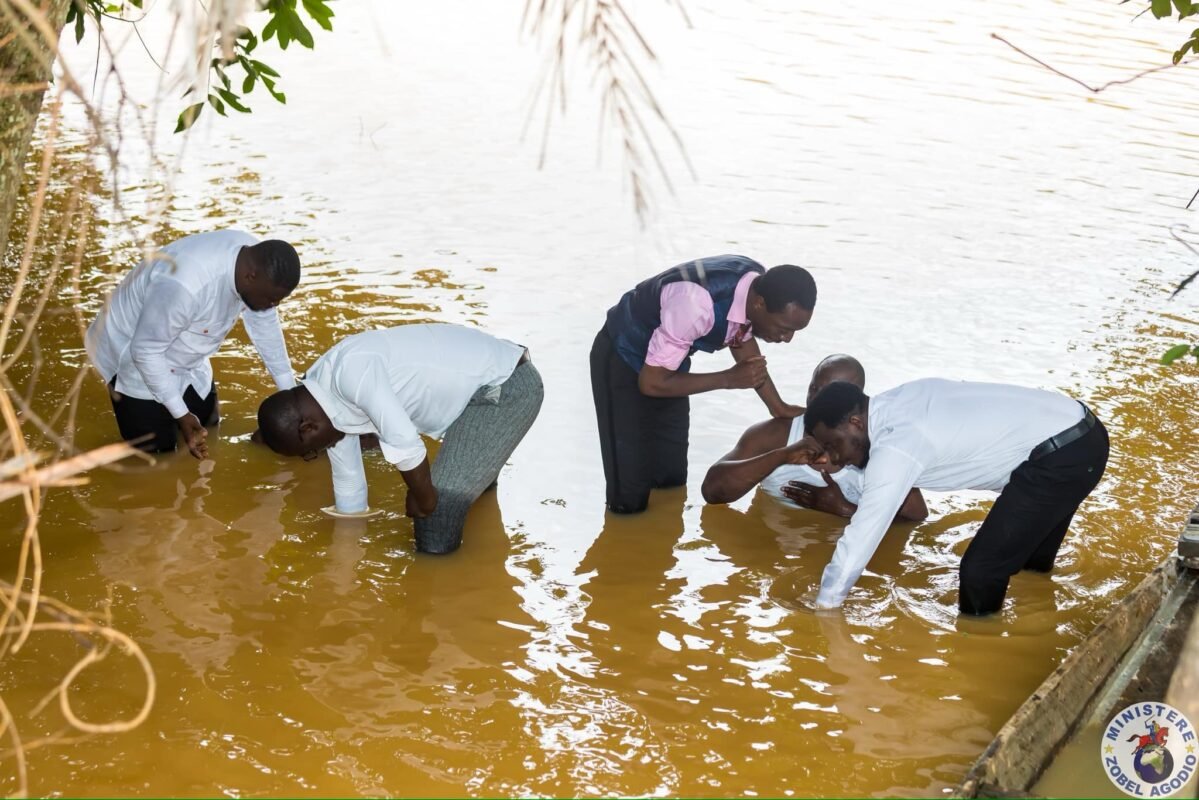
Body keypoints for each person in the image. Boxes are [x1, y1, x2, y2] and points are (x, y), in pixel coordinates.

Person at [799, 378, 1110, 615]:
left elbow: (862, 536)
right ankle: (1038, 613)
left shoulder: (895, 446)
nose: (832, 456)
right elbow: (873, 475)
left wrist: (825, 607)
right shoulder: (897, 402)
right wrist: (839, 466)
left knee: (980, 571)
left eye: (832, 444)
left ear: (855, 422)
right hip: (1081, 433)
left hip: (1060, 457)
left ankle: (979, 651)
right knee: (1031, 564)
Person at [255, 323, 543, 554]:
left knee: (436, 514)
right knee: (462, 486)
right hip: (470, 394)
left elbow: (406, 445)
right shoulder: (321, 398)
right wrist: (345, 556)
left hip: (504, 389)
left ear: (307, 429)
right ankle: (485, 547)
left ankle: (438, 597)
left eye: (309, 452)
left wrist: (424, 499)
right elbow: (348, 483)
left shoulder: (351, 375)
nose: (317, 454)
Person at [591, 254, 817, 514]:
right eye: (784, 328)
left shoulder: (756, 283)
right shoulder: (696, 304)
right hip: (623, 355)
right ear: (759, 303)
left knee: (671, 479)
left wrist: (778, 408)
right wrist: (728, 379)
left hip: (669, 365)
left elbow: (740, 336)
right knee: (628, 494)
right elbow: (651, 383)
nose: (787, 339)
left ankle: (664, 544)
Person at [85, 230, 300, 459]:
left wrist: (290, 394)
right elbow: (145, 351)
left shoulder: (257, 262)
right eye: (271, 299)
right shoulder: (185, 284)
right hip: (132, 353)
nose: (274, 305)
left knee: (210, 425)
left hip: (186, 348)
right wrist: (181, 414)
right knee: (156, 454)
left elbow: (265, 324)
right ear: (250, 277)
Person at [701, 354, 927, 524]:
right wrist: (781, 457)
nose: (816, 399)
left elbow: (915, 517)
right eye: (814, 388)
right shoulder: (776, 434)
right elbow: (712, 492)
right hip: (772, 550)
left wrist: (845, 509)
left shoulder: (875, 448)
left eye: (830, 393)